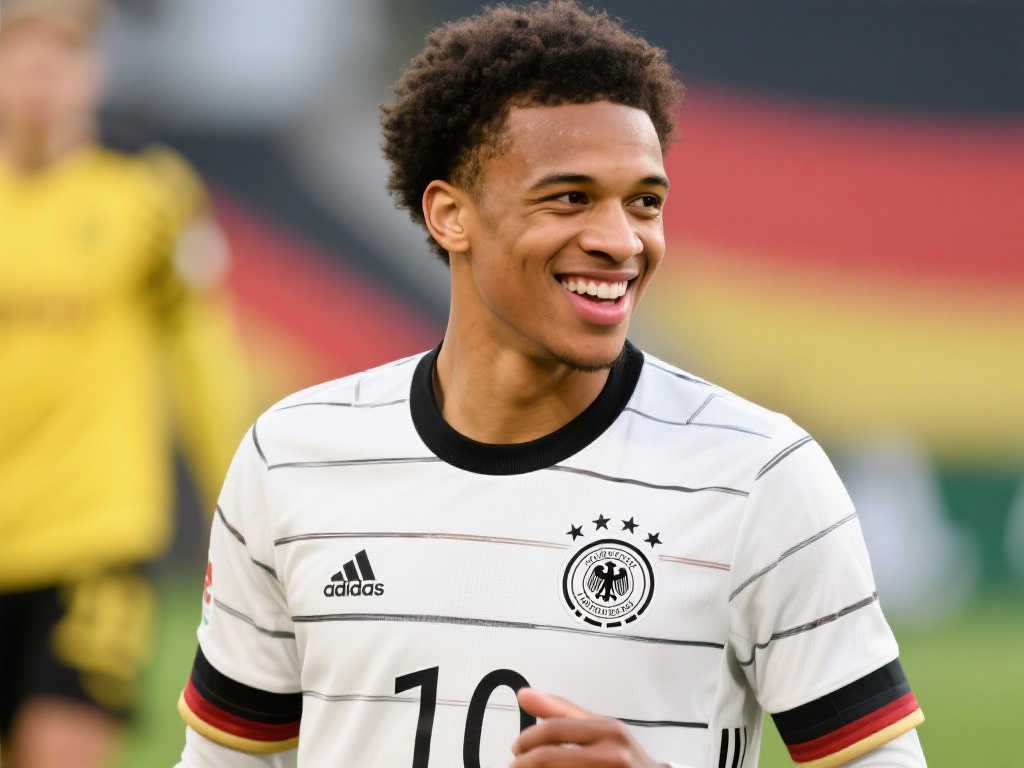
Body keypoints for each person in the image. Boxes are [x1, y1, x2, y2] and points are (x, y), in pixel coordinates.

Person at [174, 2, 927, 766]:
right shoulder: (291, 459)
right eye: (570, 198)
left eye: (644, 202)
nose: (621, 241)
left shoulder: (758, 476)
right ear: (450, 216)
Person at [0, 1, 253, 766]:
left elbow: (203, 356)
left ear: (92, 75)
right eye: (22, 63)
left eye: (59, 63)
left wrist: (242, 504)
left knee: (62, 748)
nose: (40, 84)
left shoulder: (149, 196)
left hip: (92, 534)